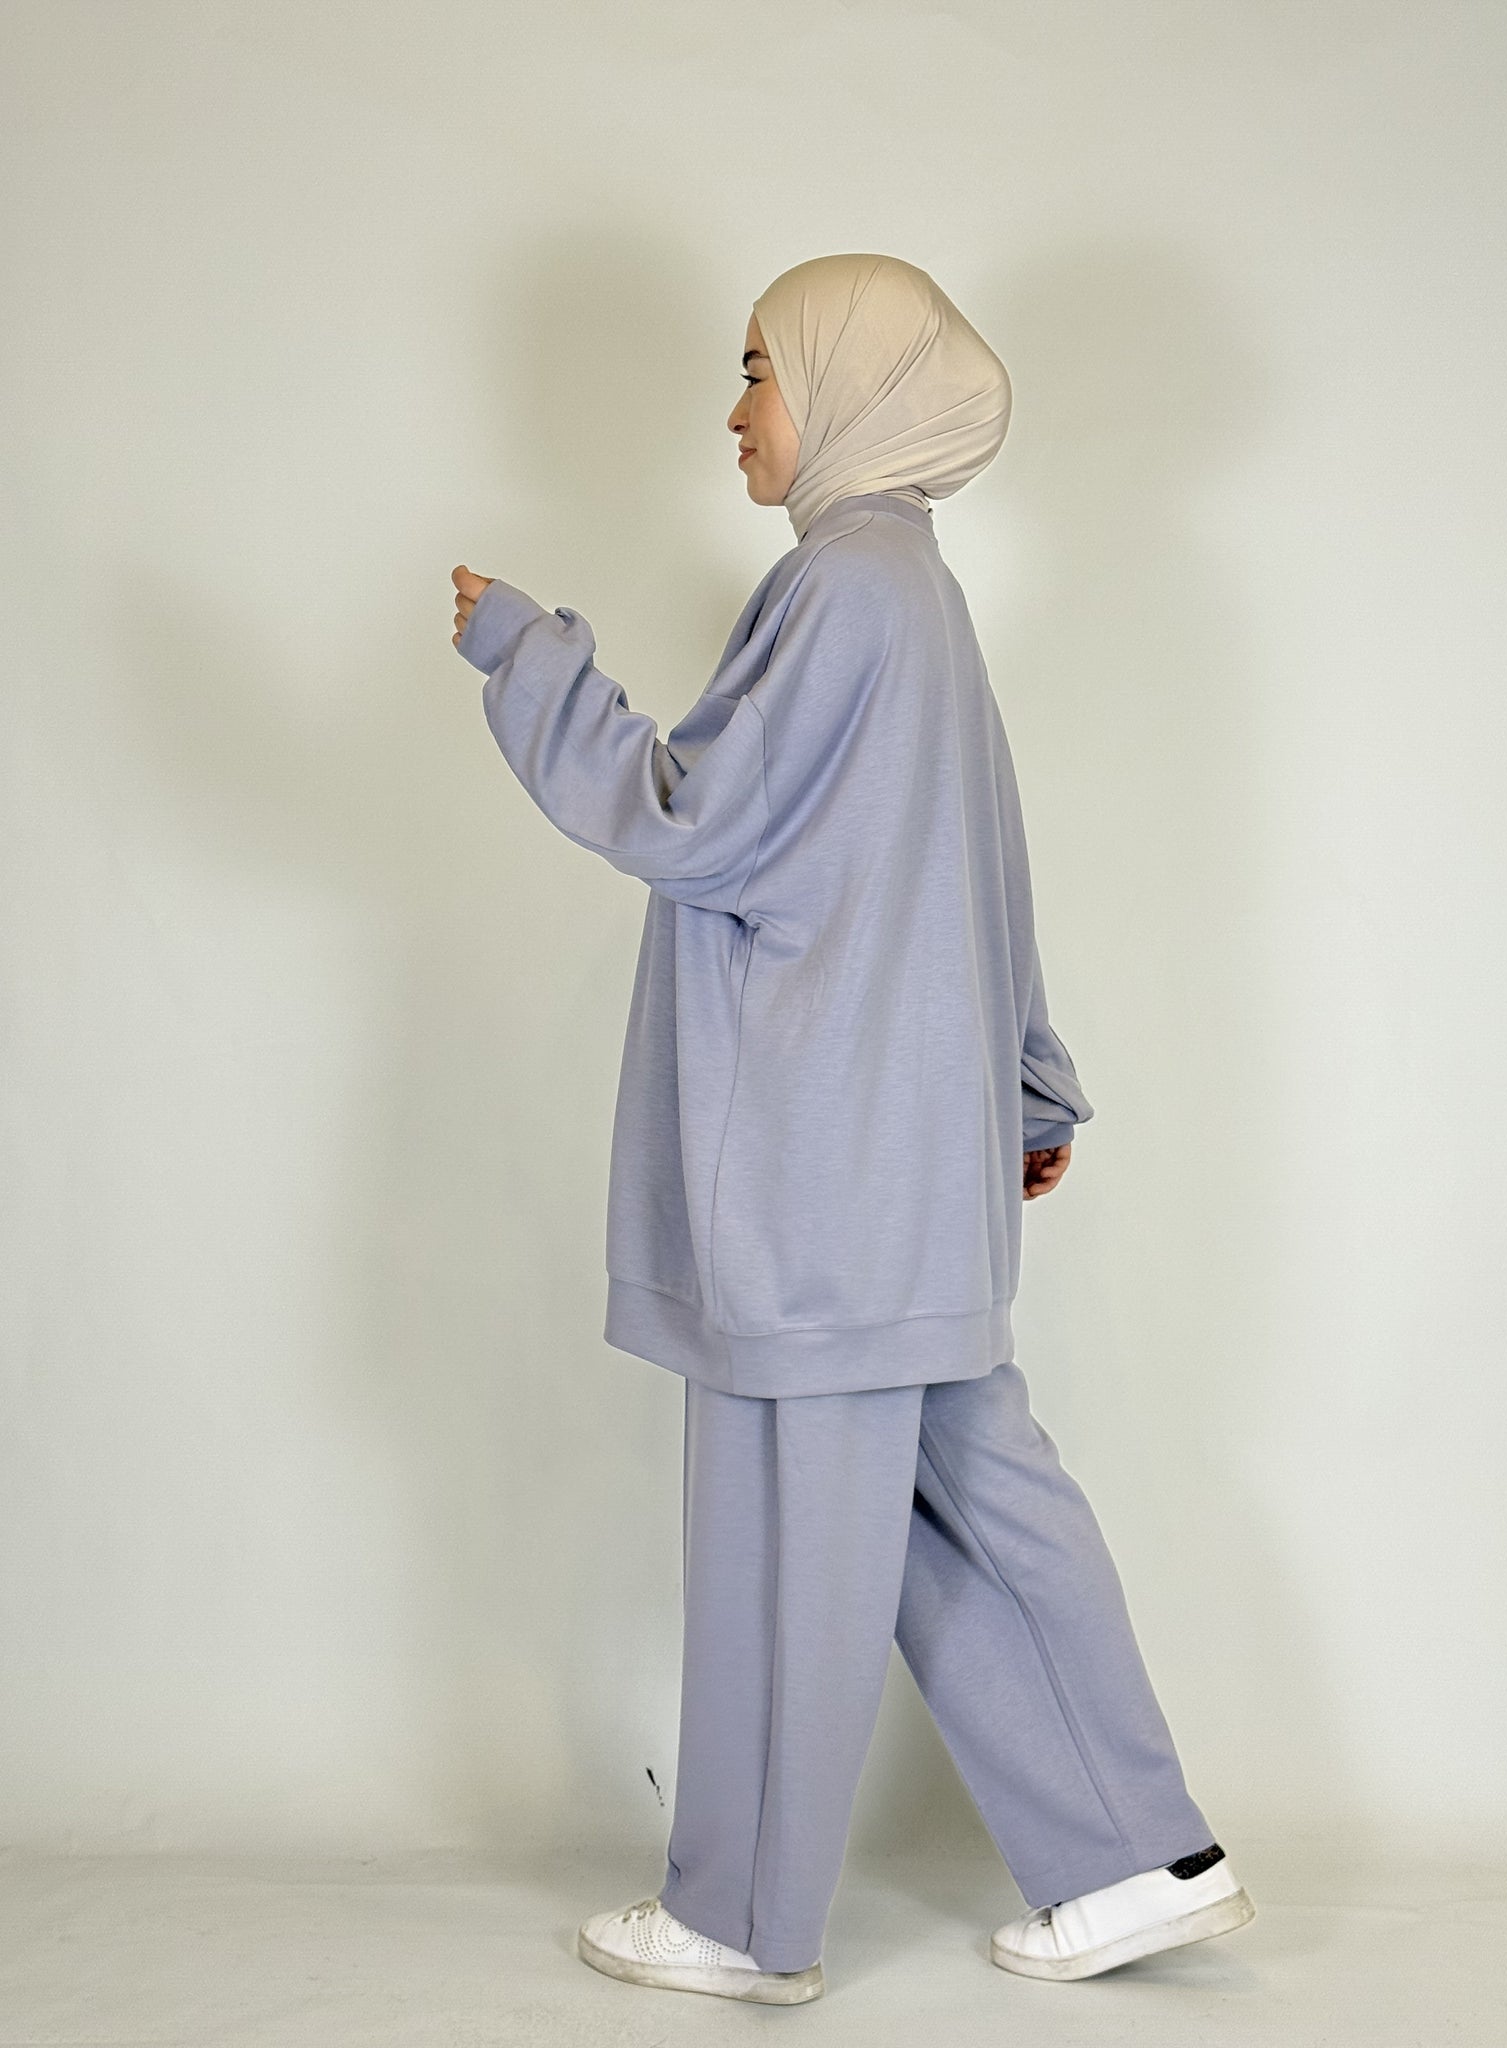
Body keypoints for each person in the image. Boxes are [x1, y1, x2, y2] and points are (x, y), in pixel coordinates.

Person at [450, 252, 1255, 2006]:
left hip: (816, 1183)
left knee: (784, 1536)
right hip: (910, 1175)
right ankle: (1135, 1860)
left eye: (760, 370)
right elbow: (984, 868)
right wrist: (1025, 1087)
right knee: (974, 1512)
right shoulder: (921, 602)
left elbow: (694, 822)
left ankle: (743, 1922)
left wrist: (530, 657)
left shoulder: (844, 587)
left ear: (849, 389)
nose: (736, 410)